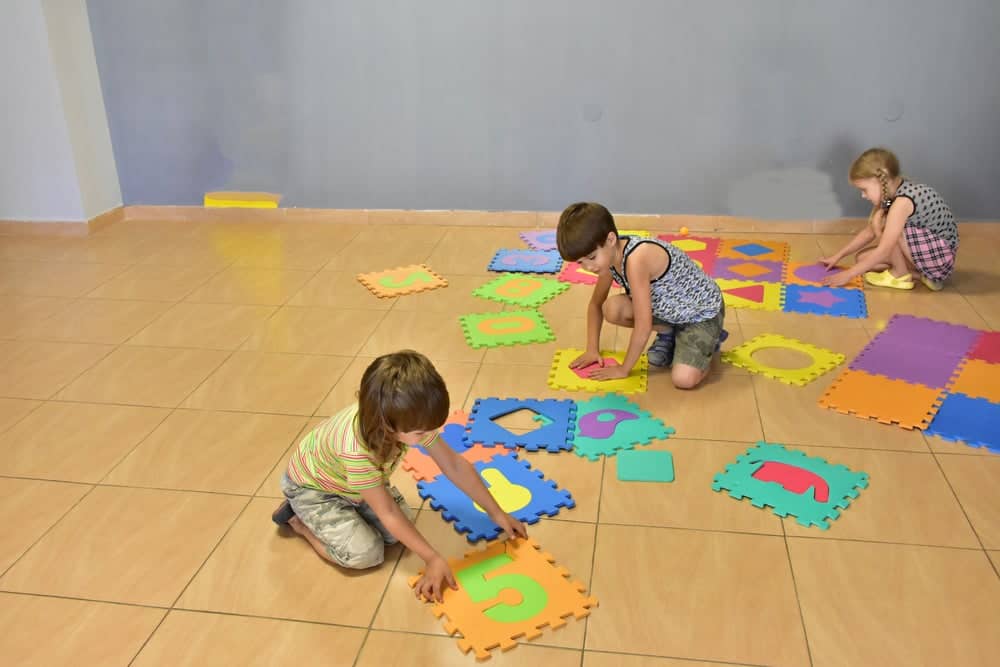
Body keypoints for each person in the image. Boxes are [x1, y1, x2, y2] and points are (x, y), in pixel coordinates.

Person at [271, 350, 527, 601]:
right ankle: (299, 522)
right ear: (386, 425)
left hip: (355, 486)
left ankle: (351, 512)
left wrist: (496, 512)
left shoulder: (406, 419)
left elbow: (454, 465)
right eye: (420, 433)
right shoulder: (357, 452)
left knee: (398, 532)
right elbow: (388, 513)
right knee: (366, 554)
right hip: (316, 491)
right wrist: (432, 559)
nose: (427, 436)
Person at [555, 202, 727, 390]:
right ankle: (670, 332)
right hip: (671, 310)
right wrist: (591, 349)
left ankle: (710, 343)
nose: (588, 267)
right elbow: (596, 304)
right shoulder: (608, 258)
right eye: (581, 262)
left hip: (701, 315)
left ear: (610, 239)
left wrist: (624, 369)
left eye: (591, 257)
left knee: (683, 379)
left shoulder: (636, 259)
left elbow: (643, 325)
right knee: (612, 309)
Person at [821, 147, 959, 291]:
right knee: (861, 259)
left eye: (864, 189)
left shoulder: (902, 202)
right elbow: (868, 233)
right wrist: (838, 256)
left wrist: (848, 275)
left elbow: (885, 249)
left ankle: (900, 274)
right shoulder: (892, 196)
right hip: (931, 255)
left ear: (883, 179)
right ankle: (921, 275)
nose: (863, 195)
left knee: (886, 225)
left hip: (939, 259)